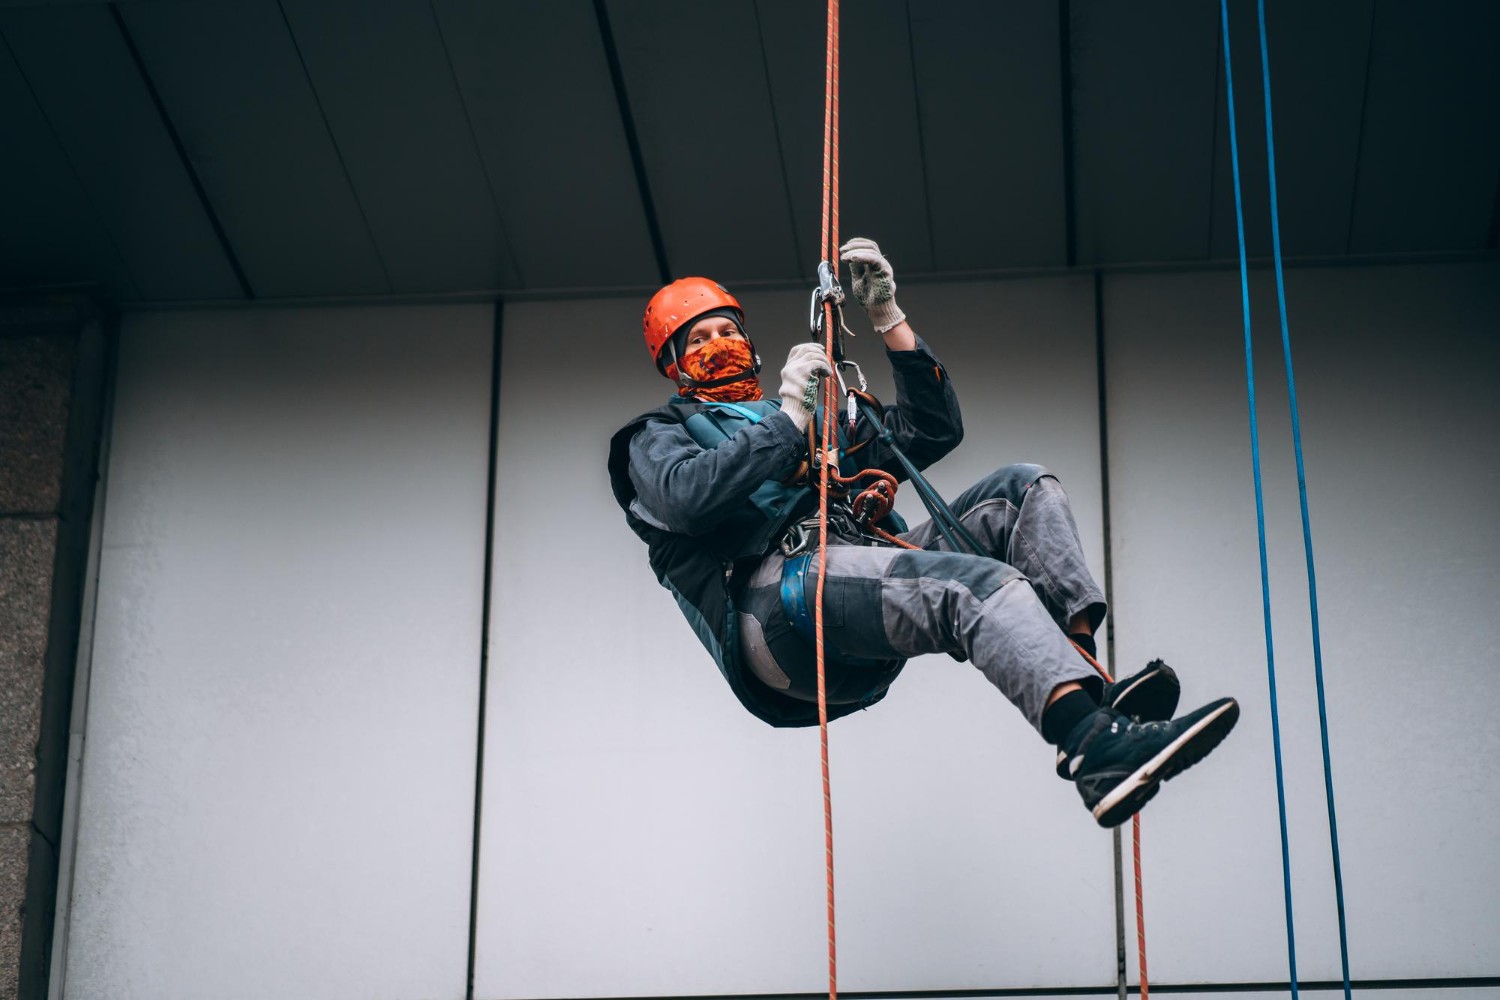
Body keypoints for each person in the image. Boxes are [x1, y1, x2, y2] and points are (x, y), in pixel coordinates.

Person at [606, 238, 1238, 828]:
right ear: (672, 364)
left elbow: (931, 432)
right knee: (971, 585)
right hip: (778, 610)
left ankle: (1082, 678)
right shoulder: (655, 438)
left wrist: (888, 319)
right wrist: (790, 419)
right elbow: (689, 499)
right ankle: (1093, 747)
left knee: (1022, 490)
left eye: (727, 330)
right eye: (698, 339)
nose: (719, 343)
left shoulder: (813, 413)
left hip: (853, 579)